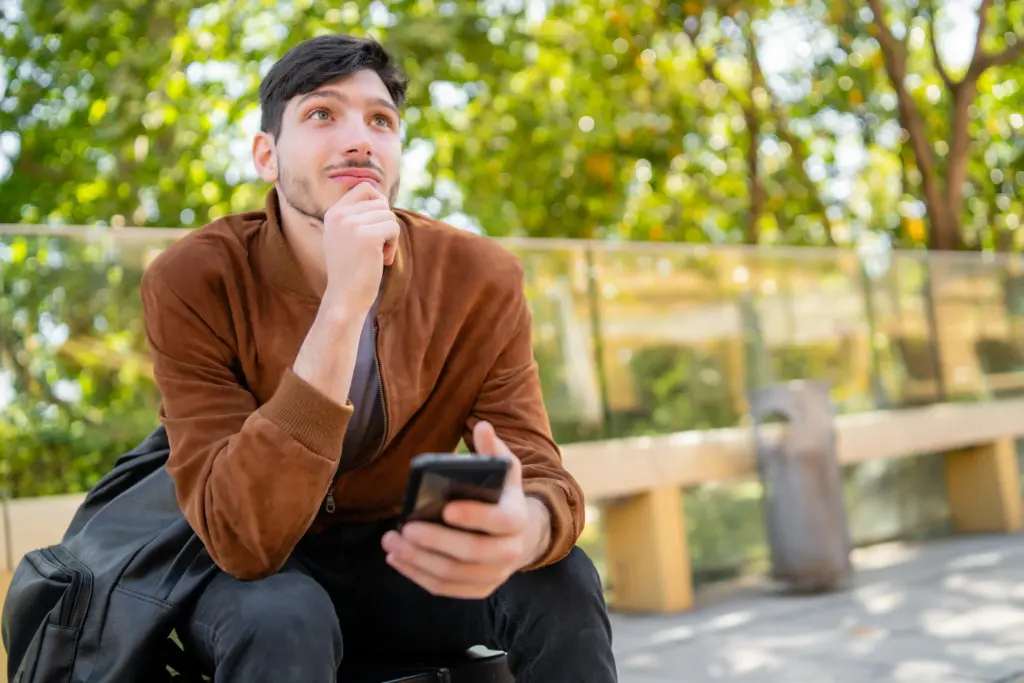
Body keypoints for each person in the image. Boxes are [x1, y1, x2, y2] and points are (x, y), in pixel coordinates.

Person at [139, 33, 617, 682]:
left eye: (380, 120)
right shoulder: (192, 279)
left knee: (559, 577)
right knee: (282, 613)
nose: (358, 137)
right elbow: (241, 537)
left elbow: (540, 472)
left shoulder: (479, 277)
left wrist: (525, 528)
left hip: (408, 557)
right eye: (321, 114)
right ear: (266, 156)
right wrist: (343, 302)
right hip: (266, 573)